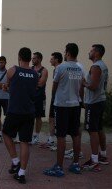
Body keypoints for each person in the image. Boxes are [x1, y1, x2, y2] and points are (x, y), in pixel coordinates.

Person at [43, 43, 83, 177]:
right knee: (75, 134)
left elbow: (55, 86)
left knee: (61, 136)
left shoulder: (61, 67)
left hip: (62, 106)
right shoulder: (80, 68)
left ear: (68, 53)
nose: (64, 54)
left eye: (65, 52)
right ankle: (76, 165)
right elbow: (81, 87)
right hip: (75, 105)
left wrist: (55, 99)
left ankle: (59, 167)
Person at [2, 47, 38, 184]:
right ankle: (21, 173)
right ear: (30, 58)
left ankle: (15, 161)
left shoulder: (13, 70)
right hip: (29, 112)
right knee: (24, 142)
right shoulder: (35, 74)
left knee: (5, 133)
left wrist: (7, 88)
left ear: (19, 57)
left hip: (14, 111)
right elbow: (30, 91)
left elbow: (9, 86)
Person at [81, 44, 109, 171]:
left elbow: (93, 86)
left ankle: (94, 160)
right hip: (100, 101)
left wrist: (84, 83)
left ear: (96, 53)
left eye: (91, 50)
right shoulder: (102, 65)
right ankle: (102, 156)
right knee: (99, 128)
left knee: (92, 130)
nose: (89, 52)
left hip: (94, 102)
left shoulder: (96, 66)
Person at [39, 52, 62, 149]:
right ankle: (51, 140)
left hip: (58, 99)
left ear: (56, 60)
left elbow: (56, 85)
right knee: (51, 118)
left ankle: (58, 143)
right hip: (55, 98)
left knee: (57, 120)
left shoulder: (60, 68)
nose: (50, 60)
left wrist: (54, 96)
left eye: (52, 59)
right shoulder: (56, 69)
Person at [31, 52, 48, 144]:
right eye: (32, 58)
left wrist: (31, 83)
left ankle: (36, 136)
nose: (32, 60)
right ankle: (29, 135)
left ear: (39, 59)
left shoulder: (44, 70)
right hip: (30, 97)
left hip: (40, 97)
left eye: (34, 58)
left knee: (38, 117)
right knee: (29, 117)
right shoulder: (30, 69)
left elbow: (41, 84)